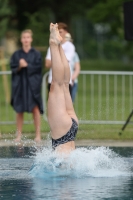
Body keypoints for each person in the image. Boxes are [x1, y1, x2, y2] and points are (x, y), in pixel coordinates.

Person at [48, 23, 78, 154]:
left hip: (70, 127)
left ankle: (57, 44)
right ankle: (55, 44)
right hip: (64, 131)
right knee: (60, 84)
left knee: (63, 84)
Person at [10, 29, 43, 143]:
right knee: (19, 110)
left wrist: (27, 65)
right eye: (24, 37)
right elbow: (13, 69)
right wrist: (19, 66)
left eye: (28, 37)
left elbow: (38, 69)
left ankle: (38, 135)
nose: (26, 40)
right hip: (20, 85)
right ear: (21, 39)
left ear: (31, 39)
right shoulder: (16, 54)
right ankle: (18, 135)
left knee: (35, 109)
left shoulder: (36, 54)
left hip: (32, 85)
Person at [45, 22, 75, 95]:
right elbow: (47, 64)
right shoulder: (52, 46)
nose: (59, 34)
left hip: (65, 81)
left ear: (66, 33)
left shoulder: (69, 46)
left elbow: (64, 62)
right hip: (52, 80)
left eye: (60, 32)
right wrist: (57, 61)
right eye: (57, 32)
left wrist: (54, 61)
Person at [65, 33, 81, 102]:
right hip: (61, 81)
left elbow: (77, 68)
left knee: (70, 103)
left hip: (71, 81)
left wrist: (72, 78)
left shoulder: (74, 54)